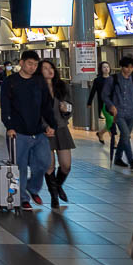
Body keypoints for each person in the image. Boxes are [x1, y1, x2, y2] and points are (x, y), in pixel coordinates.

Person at [0, 50, 56, 211]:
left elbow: (46, 105)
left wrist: (51, 125)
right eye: (30, 63)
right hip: (18, 133)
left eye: (35, 64)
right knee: (20, 166)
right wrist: (9, 126)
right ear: (21, 63)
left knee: (44, 162)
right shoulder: (10, 82)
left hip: (38, 131)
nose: (33, 67)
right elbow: (6, 107)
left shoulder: (39, 82)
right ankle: (23, 198)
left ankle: (32, 188)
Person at [39, 60, 75, 209]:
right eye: (45, 68)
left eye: (51, 67)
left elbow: (70, 106)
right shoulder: (37, 89)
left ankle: (58, 186)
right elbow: (35, 111)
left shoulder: (62, 86)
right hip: (44, 131)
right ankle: (54, 196)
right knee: (50, 165)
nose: (49, 70)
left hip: (61, 128)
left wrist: (66, 110)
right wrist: (45, 127)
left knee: (66, 165)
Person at [101, 56, 133, 169]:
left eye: (131, 67)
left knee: (125, 136)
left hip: (131, 113)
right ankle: (131, 159)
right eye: (126, 67)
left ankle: (118, 158)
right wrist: (111, 106)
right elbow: (104, 95)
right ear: (122, 67)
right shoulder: (113, 79)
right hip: (119, 113)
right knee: (126, 135)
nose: (129, 69)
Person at [88, 61, 113, 145]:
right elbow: (93, 91)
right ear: (101, 69)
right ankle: (114, 141)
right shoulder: (98, 80)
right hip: (103, 104)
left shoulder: (113, 79)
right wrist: (89, 102)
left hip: (113, 103)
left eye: (107, 67)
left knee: (111, 122)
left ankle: (101, 133)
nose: (106, 69)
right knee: (110, 120)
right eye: (104, 67)